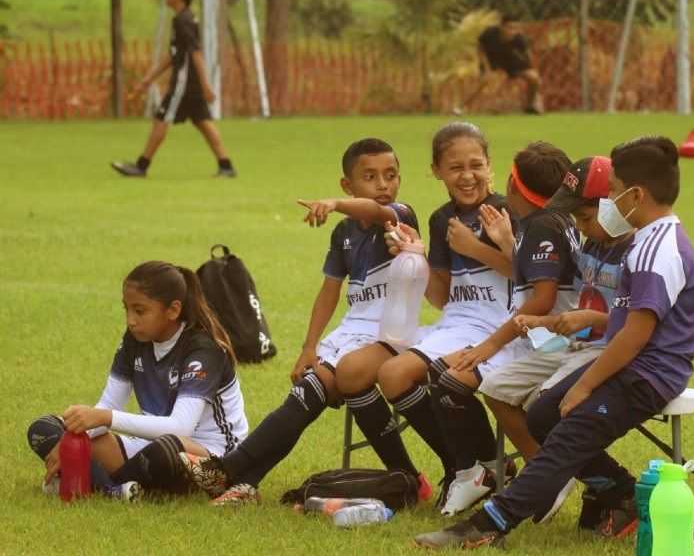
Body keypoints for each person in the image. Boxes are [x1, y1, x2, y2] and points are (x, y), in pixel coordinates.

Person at [414, 136, 694, 549]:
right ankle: (622, 492)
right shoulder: (648, 240)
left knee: (567, 435)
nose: (609, 199)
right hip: (632, 363)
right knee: (543, 417)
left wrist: (584, 386)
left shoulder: (656, 251)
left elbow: (634, 336)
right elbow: (624, 327)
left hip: (649, 373)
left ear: (636, 195)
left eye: (612, 191)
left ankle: (485, 525)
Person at [180, 138, 425, 506]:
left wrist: (334, 204)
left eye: (390, 175)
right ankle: (244, 483)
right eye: (370, 177)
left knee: (341, 378)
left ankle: (229, 470)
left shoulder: (398, 216)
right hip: (355, 333)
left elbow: (376, 211)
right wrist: (309, 347)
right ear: (349, 183)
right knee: (305, 391)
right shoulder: (343, 233)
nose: (383, 185)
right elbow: (329, 293)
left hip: (392, 334)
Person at [333, 122, 514, 512]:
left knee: (430, 374)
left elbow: (530, 278)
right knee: (392, 373)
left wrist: (476, 248)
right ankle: (465, 467)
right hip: (457, 321)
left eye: (476, 165)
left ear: (489, 165)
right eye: (455, 168)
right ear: (436, 171)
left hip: (502, 324)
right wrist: (414, 255)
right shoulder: (439, 219)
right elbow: (442, 296)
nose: (467, 176)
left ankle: (482, 466)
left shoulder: (505, 210)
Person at [428, 142, 578, 517]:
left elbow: (542, 299)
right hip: (545, 339)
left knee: (457, 380)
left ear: (511, 183)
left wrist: (491, 344)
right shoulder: (547, 221)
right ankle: (477, 472)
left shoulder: (543, 225)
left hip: (550, 342)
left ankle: (541, 474)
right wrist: (509, 244)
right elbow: (535, 277)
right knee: (445, 374)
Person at [26, 261, 248, 500]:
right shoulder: (135, 340)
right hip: (151, 442)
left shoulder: (203, 350)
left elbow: (180, 428)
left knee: (167, 451)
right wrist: (71, 442)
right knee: (46, 428)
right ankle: (116, 489)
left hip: (211, 455)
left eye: (140, 311)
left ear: (173, 310)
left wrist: (104, 419)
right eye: (127, 309)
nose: (131, 320)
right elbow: (108, 405)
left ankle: (97, 484)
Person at [480, 156, 633, 470]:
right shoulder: (592, 246)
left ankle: (558, 476)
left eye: (586, 217)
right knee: (495, 387)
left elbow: (638, 325)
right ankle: (543, 469)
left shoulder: (637, 253)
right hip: (577, 347)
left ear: (613, 205)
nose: (579, 226)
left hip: (611, 353)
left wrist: (589, 320)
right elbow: (581, 306)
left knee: (546, 405)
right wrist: (542, 324)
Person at [111, 0, 236, 178]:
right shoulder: (184, 18)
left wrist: (206, 86)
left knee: (162, 118)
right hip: (190, 82)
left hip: (184, 83)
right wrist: (149, 79)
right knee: (203, 121)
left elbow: (195, 53)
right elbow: (175, 54)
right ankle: (226, 165)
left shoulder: (182, 21)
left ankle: (141, 166)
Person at [462, 16, 542, 115]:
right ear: (501, 27)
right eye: (509, 27)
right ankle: (462, 107)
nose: (512, 31)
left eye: (516, 28)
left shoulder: (520, 39)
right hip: (491, 59)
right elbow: (480, 47)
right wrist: (487, 68)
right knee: (485, 81)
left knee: (534, 78)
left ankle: (530, 105)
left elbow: (529, 56)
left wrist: (533, 71)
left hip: (509, 60)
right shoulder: (490, 33)